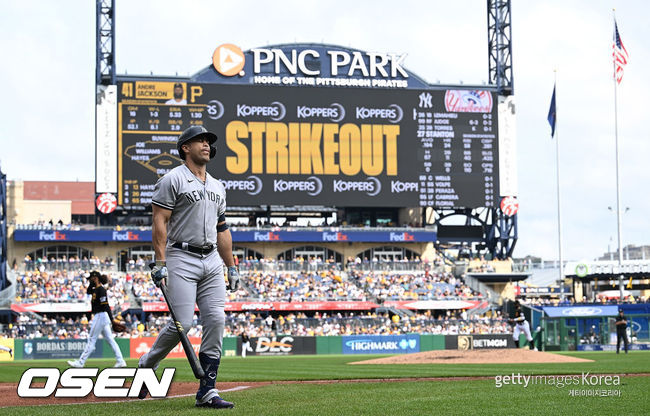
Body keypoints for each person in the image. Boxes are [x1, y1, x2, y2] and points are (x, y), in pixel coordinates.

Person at [138, 125, 240, 409]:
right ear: (185, 147)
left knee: (216, 320)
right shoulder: (172, 179)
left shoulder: (218, 185)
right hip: (181, 256)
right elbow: (160, 221)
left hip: (211, 260)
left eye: (208, 141)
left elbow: (222, 229)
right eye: (200, 140)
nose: (206, 144)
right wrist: (160, 261)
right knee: (182, 322)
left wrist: (232, 266)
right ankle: (147, 364)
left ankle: (207, 389)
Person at [68, 271, 127, 368]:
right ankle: (120, 361)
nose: (90, 279)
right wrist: (93, 282)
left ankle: (80, 362)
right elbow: (88, 291)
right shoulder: (96, 289)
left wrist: (112, 320)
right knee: (110, 340)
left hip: (101, 316)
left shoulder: (101, 290)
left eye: (92, 278)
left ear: (95, 278)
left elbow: (106, 306)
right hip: (101, 316)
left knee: (91, 340)